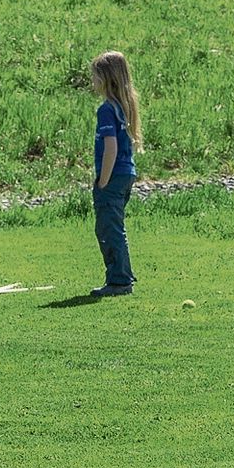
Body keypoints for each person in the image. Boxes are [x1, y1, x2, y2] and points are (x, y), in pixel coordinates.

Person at [88, 51, 141, 297]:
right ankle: (123, 274)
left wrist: (103, 180)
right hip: (126, 173)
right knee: (114, 226)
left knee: (109, 228)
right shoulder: (125, 106)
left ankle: (119, 280)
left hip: (113, 175)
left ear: (106, 79)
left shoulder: (106, 110)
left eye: (95, 77)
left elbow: (111, 148)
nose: (93, 82)